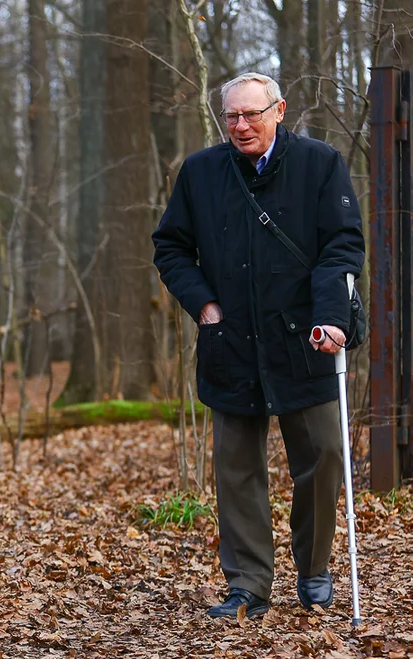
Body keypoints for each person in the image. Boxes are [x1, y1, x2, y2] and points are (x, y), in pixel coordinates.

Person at [152, 72, 365, 619]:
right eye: (232, 116)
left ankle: (314, 569)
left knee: (322, 455)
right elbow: (171, 247)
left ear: (279, 110)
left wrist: (331, 318)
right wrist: (203, 304)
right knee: (237, 468)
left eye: (252, 114)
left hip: (307, 340)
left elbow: (340, 247)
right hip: (231, 343)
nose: (241, 126)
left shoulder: (320, 165)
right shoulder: (201, 172)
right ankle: (248, 582)